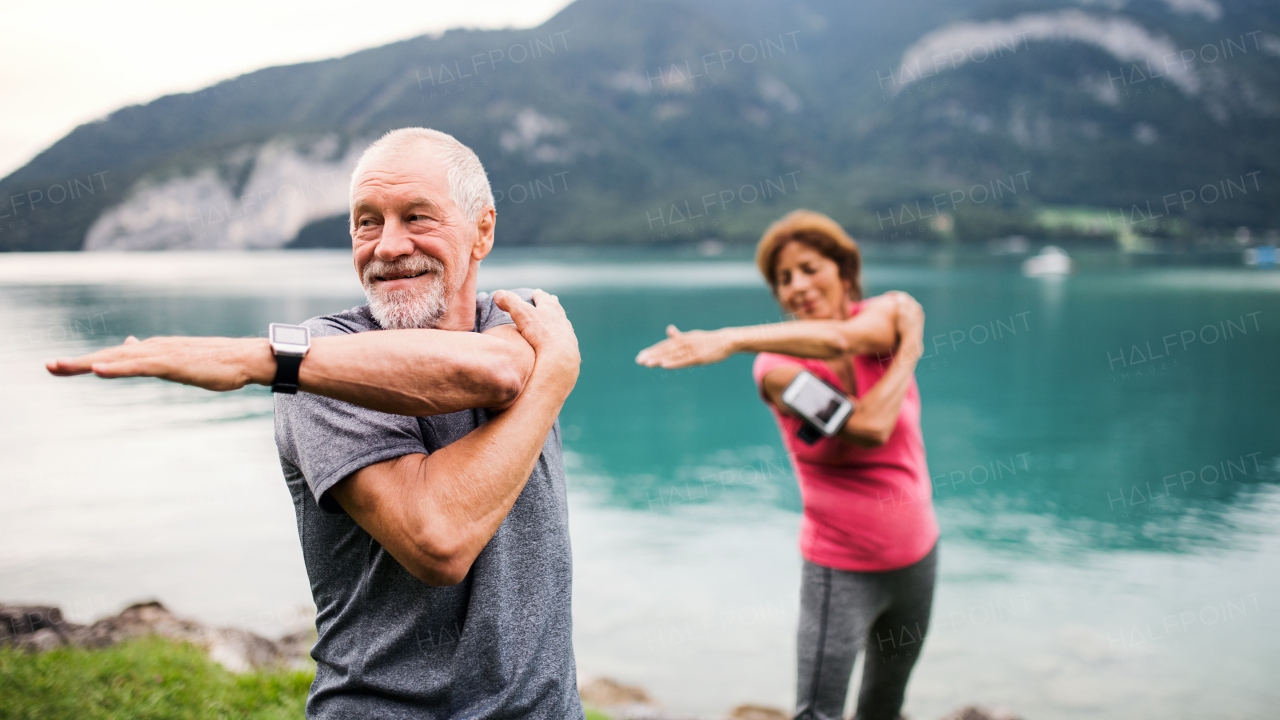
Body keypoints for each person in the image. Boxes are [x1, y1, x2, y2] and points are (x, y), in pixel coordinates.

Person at [47, 127, 585, 719]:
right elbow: (440, 540)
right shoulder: (319, 364)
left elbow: (497, 373)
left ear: (482, 230)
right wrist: (556, 376)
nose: (387, 246)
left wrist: (255, 359)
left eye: (417, 217)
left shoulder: (516, 318)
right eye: (367, 221)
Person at [636, 209, 937, 720]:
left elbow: (845, 338)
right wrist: (912, 350)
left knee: (886, 705)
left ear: (844, 271)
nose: (797, 285)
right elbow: (868, 428)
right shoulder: (778, 369)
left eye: (809, 268)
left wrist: (730, 337)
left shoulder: (882, 316)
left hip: (918, 559)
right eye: (783, 279)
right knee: (817, 713)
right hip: (841, 570)